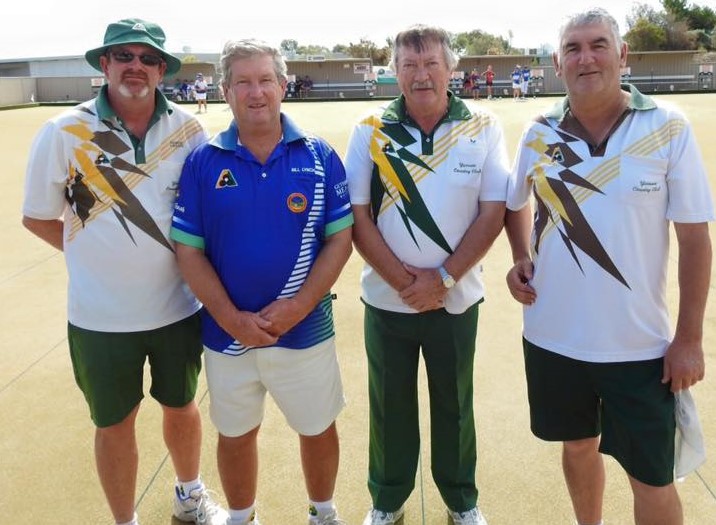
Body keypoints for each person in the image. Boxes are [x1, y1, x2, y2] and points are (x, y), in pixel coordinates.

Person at [505, 8, 714, 525]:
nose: (586, 57)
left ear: (622, 55)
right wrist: (519, 257)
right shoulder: (538, 132)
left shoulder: (667, 127)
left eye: (598, 44)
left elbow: (695, 240)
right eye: (573, 48)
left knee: (652, 476)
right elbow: (516, 203)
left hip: (641, 347)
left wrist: (688, 338)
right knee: (577, 448)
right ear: (557, 62)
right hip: (553, 338)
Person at [21, 18, 227, 525]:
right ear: (105, 65)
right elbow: (36, 215)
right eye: (124, 56)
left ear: (161, 70)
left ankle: (189, 496)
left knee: (182, 407)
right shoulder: (64, 130)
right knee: (114, 423)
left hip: (178, 307)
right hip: (99, 318)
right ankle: (124, 520)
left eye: (147, 58)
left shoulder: (188, 128)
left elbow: (201, 213)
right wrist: (90, 255)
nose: (136, 66)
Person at [170, 38, 354, 525]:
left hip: (305, 330)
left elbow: (340, 241)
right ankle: (241, 516)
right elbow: (188, 249)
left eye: (266, 80)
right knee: (235, 433)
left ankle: (323, 513)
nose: (257, 92)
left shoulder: (318, 156)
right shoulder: (203, 160)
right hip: (227, 337)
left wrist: (299, 306)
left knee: (316, 428)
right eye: (244, 82)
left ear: (282, 85)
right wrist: (231, 318)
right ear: (226, 91)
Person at [345, 24, 509, 525]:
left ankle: (461, 501)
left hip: (456, 299)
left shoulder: (483, 124)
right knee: (390, 407)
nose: (421, 75)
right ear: (394, 72)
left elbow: (493, 210)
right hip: (387, 301)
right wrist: (405, 283)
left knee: (455, 404)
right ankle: (388, 500)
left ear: (450, 69)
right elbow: (357, 216)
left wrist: (442, 280)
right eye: (409, 65)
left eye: (431, 63)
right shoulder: (369, 128)